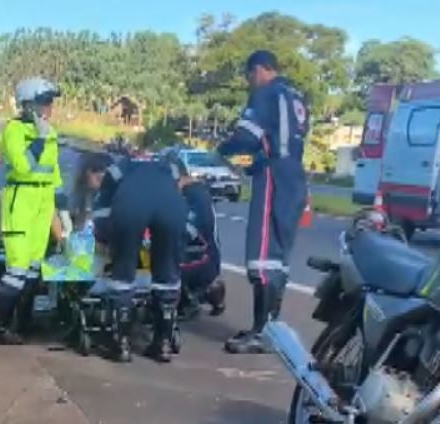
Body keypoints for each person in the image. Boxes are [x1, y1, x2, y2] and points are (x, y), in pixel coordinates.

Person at [216, 50, 310, 354]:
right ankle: (270, 328)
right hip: (296, 176)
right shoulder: (297, 98)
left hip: (275, 178)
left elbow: (247, 138)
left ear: (259, 70)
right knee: (280, 258)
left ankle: (261, 333)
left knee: (262, 255)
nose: (249, 83)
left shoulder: (266, 94)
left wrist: (223, 150)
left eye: (249, 76)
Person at [90, 151, 192, 363]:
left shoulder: (121, 166)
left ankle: (121, 345)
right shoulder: (168, 166)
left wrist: (106, 237)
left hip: (131, 207)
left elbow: (102, 210)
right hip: (171, 207)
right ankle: (163, 344)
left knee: (123, 273)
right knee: (167, 276)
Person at [0, 77, 63, 344]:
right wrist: (39, 140)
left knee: (34, 268)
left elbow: (53, 173)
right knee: (17, 269)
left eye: (51, 101)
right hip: (21, 200)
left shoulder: (50, 131)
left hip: (43, 201)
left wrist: (61, 210)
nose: (50, 107)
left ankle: (22, 324)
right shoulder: (13, 130)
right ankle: (0, 328)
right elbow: (22, 165)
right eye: (45, 101)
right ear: (29, 104)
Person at [174, 162, 227, 320]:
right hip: (198, 252)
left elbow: (191, 229)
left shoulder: (196, 194)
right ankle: (202, 292)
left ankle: (195, 297)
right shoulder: (189, 192)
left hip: (203, 256)